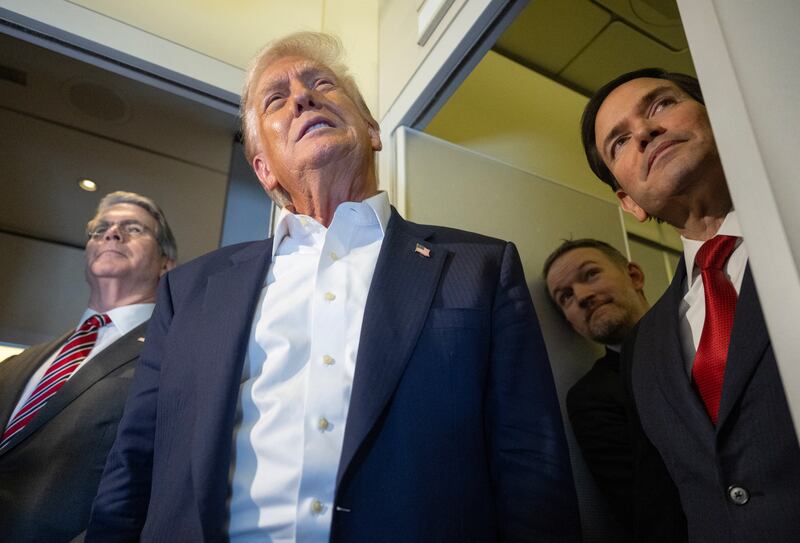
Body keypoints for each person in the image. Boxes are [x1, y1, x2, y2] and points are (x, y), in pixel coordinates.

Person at [86, 32, 579, 542]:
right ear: (263, 169)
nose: (303, 96)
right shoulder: (189, 290)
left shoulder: (480, 268)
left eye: (322, 84)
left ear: (371, 129)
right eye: (277, 99)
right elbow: (132, 467)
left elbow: (532, 468)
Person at [581, 68, 800, 542]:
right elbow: (661, 504)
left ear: (717, 117)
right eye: (618, 142)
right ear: (628, 202)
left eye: (660, 105)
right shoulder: (644, 347)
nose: (643, 132)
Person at [0, 191, 177, 542]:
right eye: (101, 229)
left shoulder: (175, 357)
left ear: (165, 264)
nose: (112, 234)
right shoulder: (17, 364)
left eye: (133, 228)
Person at [543, 238, 649, 538]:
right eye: (565, 296)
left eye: (590, 275)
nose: (581, 296)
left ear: (634, 276)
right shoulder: (591, 400)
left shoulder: (709, 333)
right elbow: (642, 511)